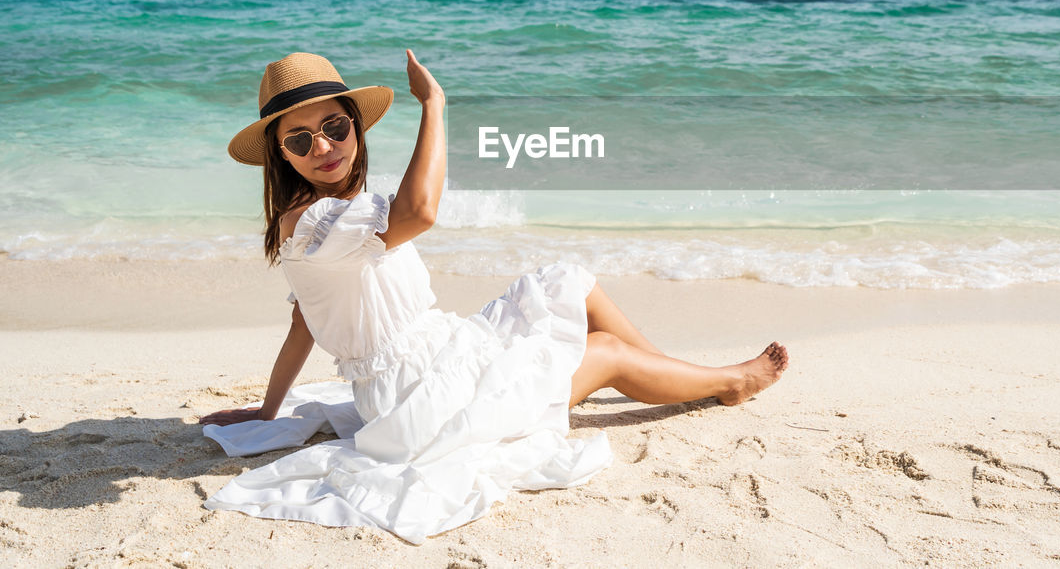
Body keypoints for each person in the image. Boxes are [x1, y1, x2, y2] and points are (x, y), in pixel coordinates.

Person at [199, 50, 788, 542]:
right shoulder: (319, 222)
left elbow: (304, 323)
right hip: (416, 399)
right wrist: (435, 104)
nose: (323, 147)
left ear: (355, 126)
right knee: (603, 351)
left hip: (437, 359)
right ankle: (726, 383)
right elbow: (422, 211)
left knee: (568, 280)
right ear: (281, 154)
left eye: (334, 127)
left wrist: (267, 411)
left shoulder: (323, 218)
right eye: (300, 139)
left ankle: (669, 371)